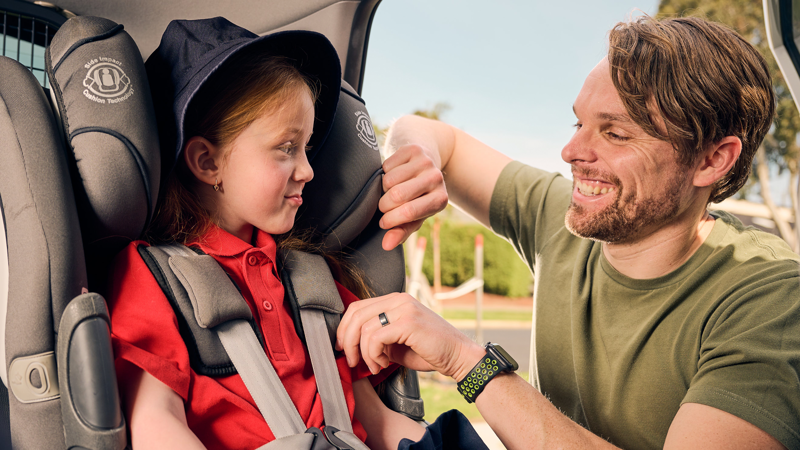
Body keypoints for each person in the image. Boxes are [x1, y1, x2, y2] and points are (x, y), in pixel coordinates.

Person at [340, 15, 800, 450]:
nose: (570, 151)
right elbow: (424, 131)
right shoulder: (562, 216)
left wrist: (466, 362)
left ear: (712, 159)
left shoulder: (770, 300)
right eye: (579, 122)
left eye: (616, 134)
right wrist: (418, 159)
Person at [107, 18, 427, 449]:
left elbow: (374, 421)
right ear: (208, 162)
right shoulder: (154, 278)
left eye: (309, 148)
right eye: (287, 148)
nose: (309, 170)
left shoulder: (314, 280)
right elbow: (156, 423)